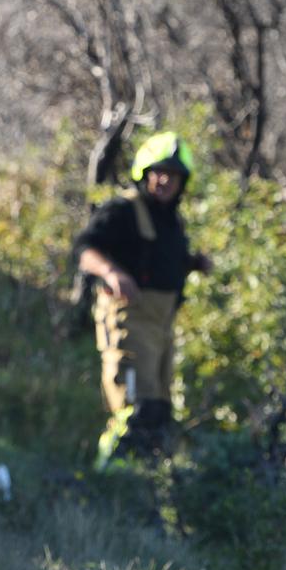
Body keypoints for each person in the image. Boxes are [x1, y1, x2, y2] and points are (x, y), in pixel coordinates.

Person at [75, 132, 210, 463]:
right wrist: (111, 273)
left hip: (161, 331)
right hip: (128, 323)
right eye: (159, 171)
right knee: (133, 409)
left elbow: (160, 262)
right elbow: (85, 250)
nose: (165, 180)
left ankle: (147, 482)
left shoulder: (172, 221)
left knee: (160, 411)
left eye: (174, 175)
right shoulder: (122, 210)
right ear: (145, 172)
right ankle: (109, 475)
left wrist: (194, 264)